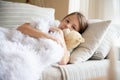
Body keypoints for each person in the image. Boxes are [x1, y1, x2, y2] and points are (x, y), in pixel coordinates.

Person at [17, 12, 88, 65]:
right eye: (67, 21)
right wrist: (49, 37)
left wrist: (61, 35)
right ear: (62, 20)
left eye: (73, 27)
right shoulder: (50, 24)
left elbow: (63, 61)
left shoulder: (69, 45)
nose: (67, 25)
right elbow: (21, 28)